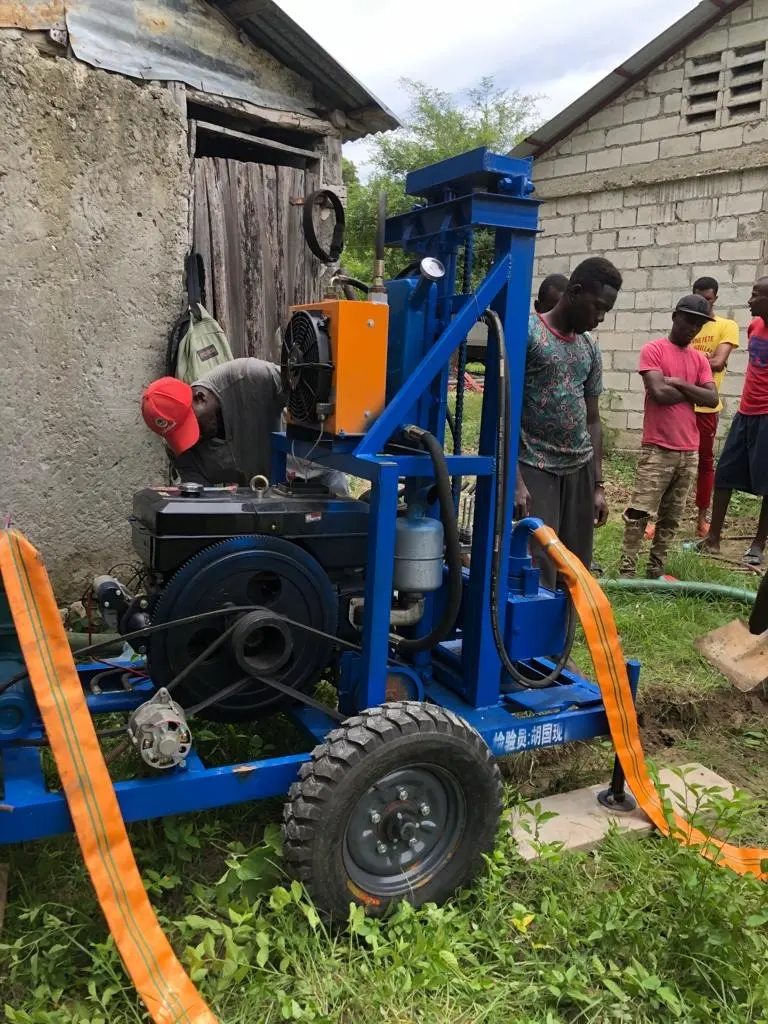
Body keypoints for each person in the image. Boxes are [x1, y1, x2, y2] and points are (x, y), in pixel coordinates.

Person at [515, 257, 623, 588]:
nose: (601, 318)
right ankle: (529, 639)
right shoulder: (528, 334)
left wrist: (598, 484)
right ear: (575, 293)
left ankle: (563, 638)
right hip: (535, 465)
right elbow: (504, 411)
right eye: (598, 307)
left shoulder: (589, 347)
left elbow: (593, 419)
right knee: (538, 563)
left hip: (579, 468)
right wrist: (515, 480)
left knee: (576, 567)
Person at [142, 357, 349, 494]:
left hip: (316, 477)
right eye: (183, 435)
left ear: (200, 397)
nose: (195, 438)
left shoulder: (249, 377)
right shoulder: (182, 449)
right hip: (266, 497)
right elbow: (200, 498)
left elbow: (311, 397)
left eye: (194, 427)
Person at [620, 295, 718, 579]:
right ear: (675, 316)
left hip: (689, 450)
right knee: (640, 513)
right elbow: (659, 394)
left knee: (671, 517)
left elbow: (712, 399)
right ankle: (627, 572)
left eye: (699, 324)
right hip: (658, 448)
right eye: (689, 320)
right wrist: (692, 389)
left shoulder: (698, 358)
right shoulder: (653, 350)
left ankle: (655, 570)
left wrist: (677, 381)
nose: (693, 328)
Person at [698, 277, 768, 566]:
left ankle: (758, 545)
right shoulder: (755, 327)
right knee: (725, 473)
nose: (749, 300)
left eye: (755, 295)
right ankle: (713, 539)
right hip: (746, 412)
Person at [688, 277, 740, 537]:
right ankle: (655, 519)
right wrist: (705, 358)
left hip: (707, 407)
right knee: (670, 461)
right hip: (682, 406)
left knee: (705, 463)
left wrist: (692, 358)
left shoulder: (726, 325)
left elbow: (719, 362)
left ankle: (701, 518)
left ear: (715, 299)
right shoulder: (688, 323)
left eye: (706, 300)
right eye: (698, 298)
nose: (701, 304)